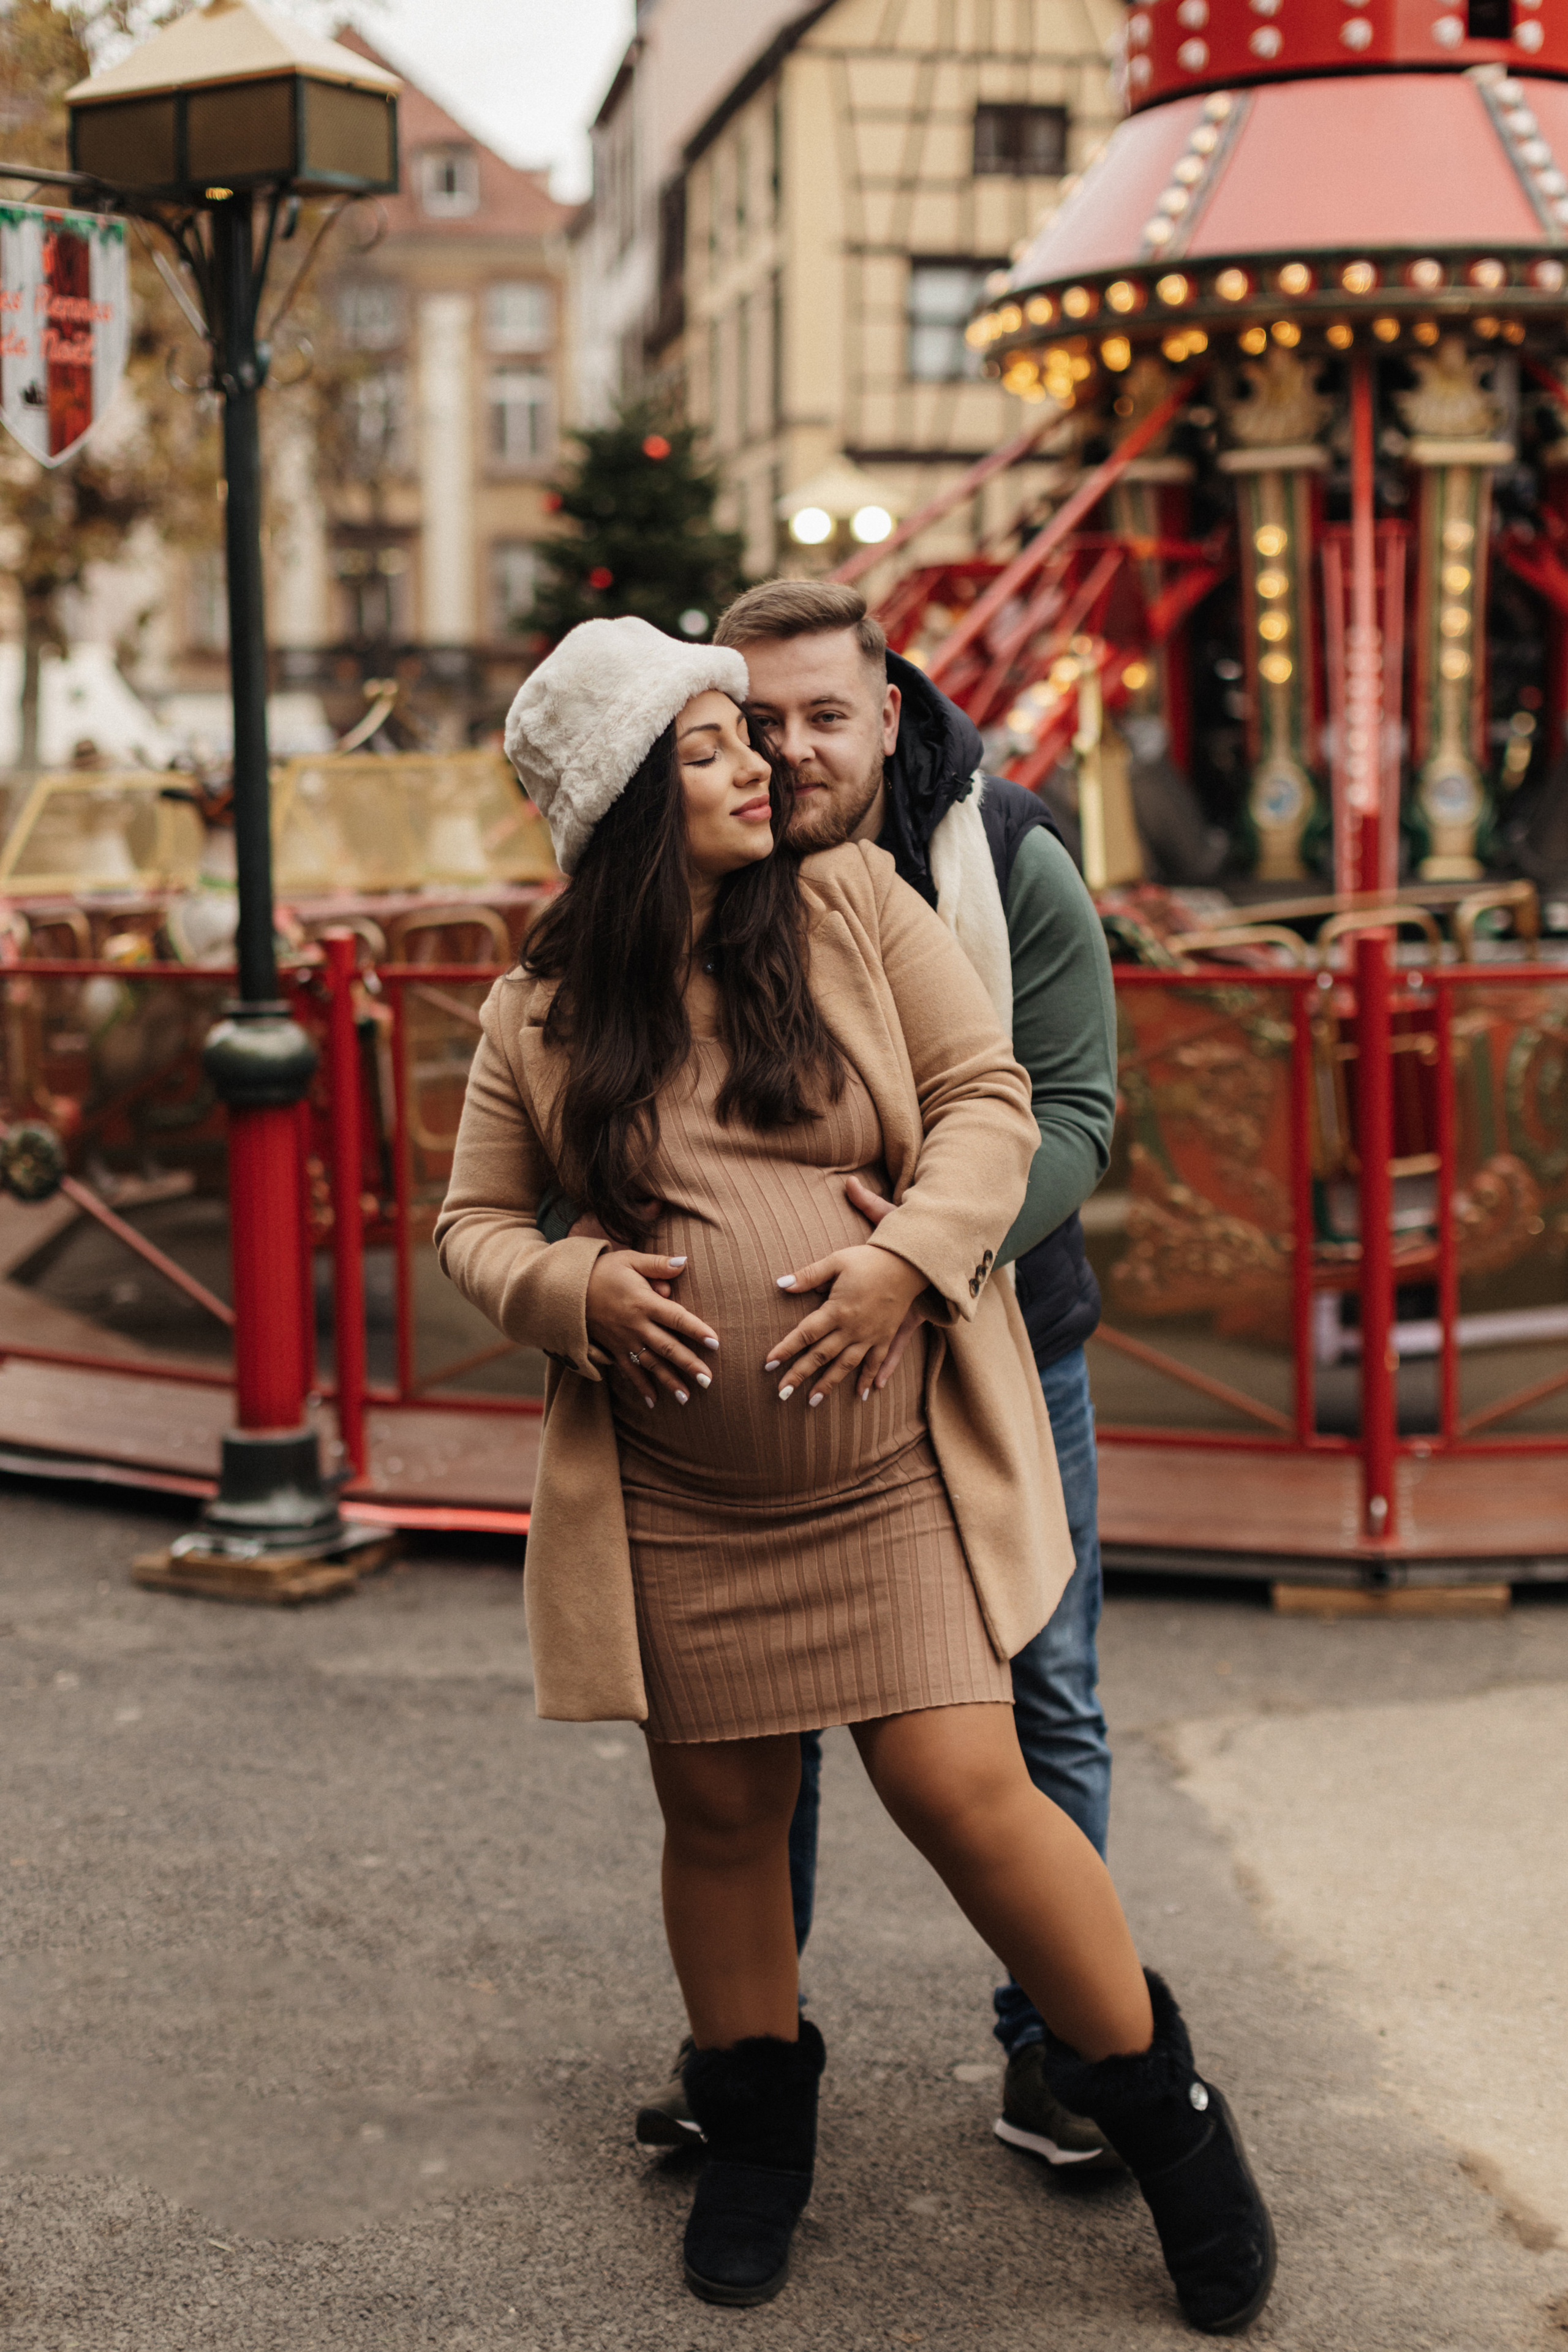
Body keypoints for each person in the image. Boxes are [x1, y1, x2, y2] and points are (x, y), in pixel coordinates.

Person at [437, 615, 1275, 2333]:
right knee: (723, 1820)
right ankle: (757, 2146)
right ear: (627, 810)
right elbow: (472, 1226)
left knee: (968, 1791)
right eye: (709, 749)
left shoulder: (852, 908)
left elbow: (992, 1102)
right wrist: (571, 1288)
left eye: (750, 734)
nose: (759, 765)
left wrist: (909, 1263)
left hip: (887, 1478)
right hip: (680, 1502)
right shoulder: (542, 1008)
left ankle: (1169, 2117)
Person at [634, 576, 1121, 2173]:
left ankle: (1068, 2049)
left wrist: (920, 1254)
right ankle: (753, 2054)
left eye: (825, 717)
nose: (788, 753)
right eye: (756, 721)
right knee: (759, 1736)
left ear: (888, 710)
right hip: (768, 1402)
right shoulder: (696, 860)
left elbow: (1070, 1106)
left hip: (1001, 1338)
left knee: (1039, 1691)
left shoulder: (1006, 852)